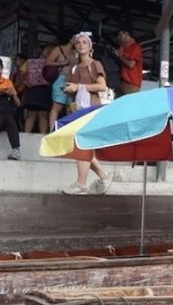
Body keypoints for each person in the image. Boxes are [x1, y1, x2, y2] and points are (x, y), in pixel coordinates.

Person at [60, 32, 113, 195]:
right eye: (78, 43)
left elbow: (102, 86)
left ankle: (81, 184)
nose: (81, 44)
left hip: (92, 109)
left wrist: (79, 87)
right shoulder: (74, 67)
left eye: (84, 42)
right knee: (82, 145)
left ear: (90, 47)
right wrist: (70, 89)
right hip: (78, 110)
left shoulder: (94, 64)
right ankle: (103, 176)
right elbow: (73, 89)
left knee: (82, 144)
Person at [46, 32, 75, 131]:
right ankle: (52, 129)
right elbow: (47, 62)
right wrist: (62, 63)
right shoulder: (59, 49)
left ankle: (67, 130)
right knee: (57, 106)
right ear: (70, 39)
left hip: (72, 80)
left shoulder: (76, 52)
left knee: (70, 107)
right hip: (60, 78)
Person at [22, 45, 52, 133]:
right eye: (47, 49)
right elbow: (21, 73)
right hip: (33, 90)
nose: (49, 51)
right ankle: (26, 136)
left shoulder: (53, 63)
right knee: (31, 114)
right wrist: (25, 82)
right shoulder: (30, 61)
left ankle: (42, 137)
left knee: (43, 115)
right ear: (41, 50)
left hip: (44, 90)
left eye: (51, 50)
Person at [0, 58, 21, 160]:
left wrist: (13, 94)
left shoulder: (7, 82)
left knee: (9, 118)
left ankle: (16, 150)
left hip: (5, 115)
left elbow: (18, 103)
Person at [113, 28, 143, 96]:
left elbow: (131, 64)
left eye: (120, 35)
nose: (118, 37)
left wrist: (119, 57)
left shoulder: (135, 47)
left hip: (131, 83)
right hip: (121, 81)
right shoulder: (123, 48)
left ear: (126, 34)